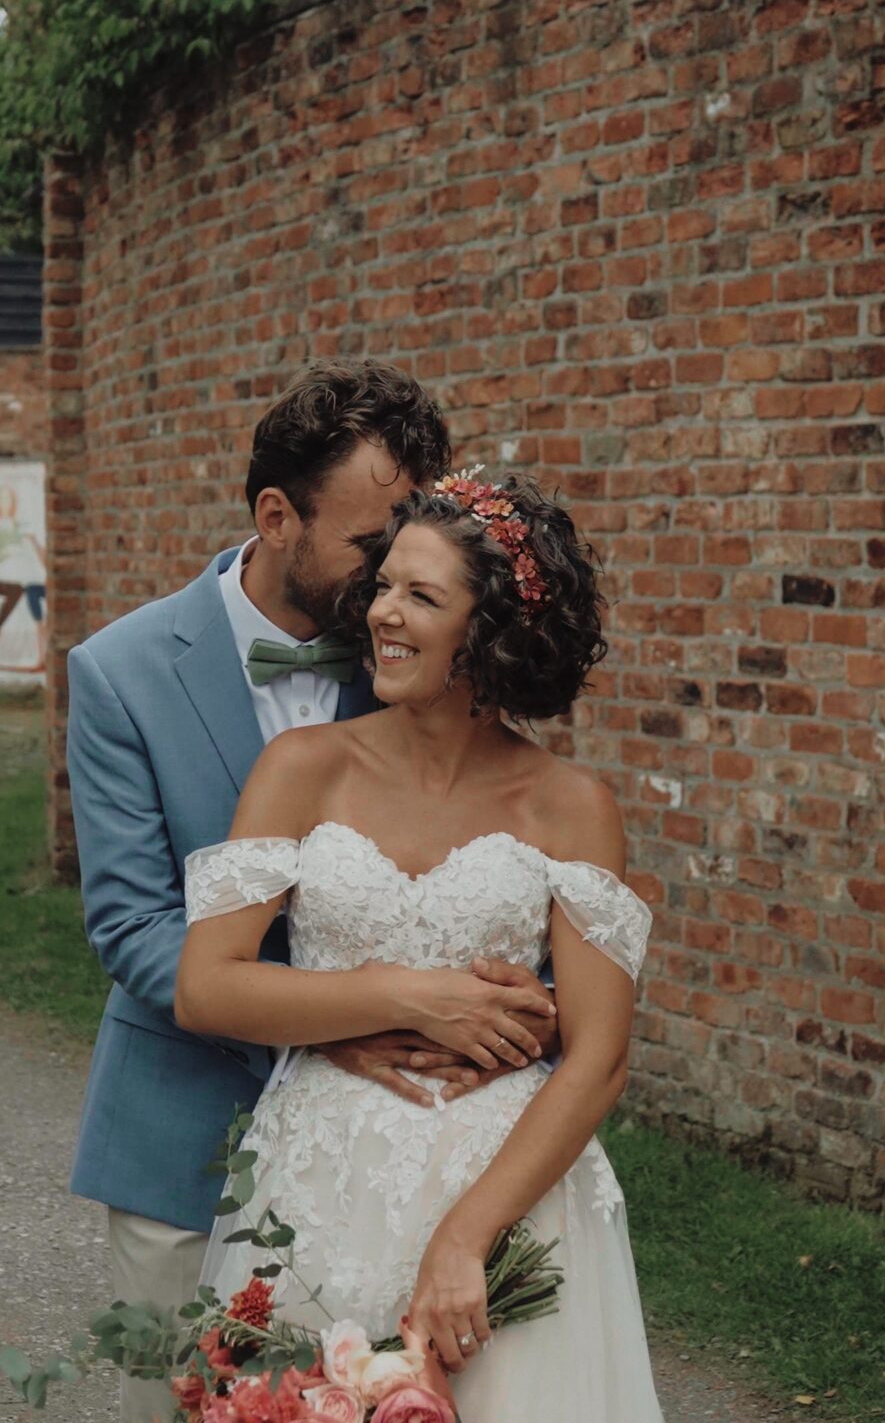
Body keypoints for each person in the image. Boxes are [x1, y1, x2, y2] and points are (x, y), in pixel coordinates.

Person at [61, 360, 560, 1423]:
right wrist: (334, 1022)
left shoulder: (410, 651)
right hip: (181, 1135)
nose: (391, 577)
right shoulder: (119, 672)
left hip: (388, 1157)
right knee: (171, 1405)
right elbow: (136, 924)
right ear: (277, 516)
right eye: (371, 545)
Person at [176, 472, 665, 1419]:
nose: (383, 616)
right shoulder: (303, 769)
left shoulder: (571, 807)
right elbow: (208, 986)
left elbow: (600, 1056)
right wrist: (408, 994)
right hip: (322, 1186)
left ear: (493, 635)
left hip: (512, 1200)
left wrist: (463, 1240)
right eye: (386, 586)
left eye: (423, 597)